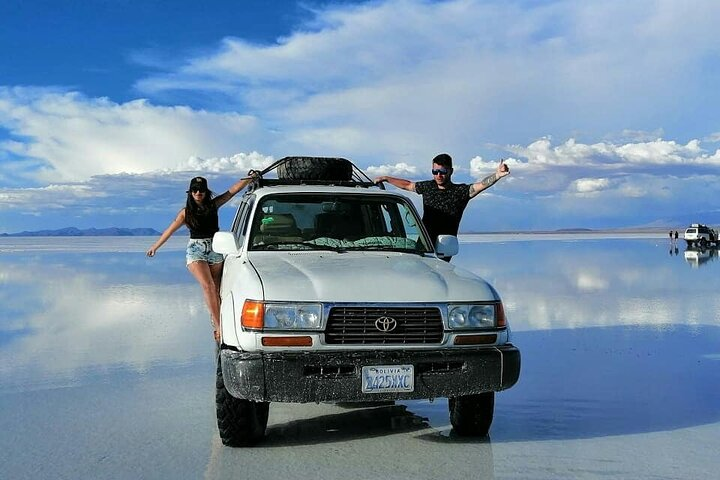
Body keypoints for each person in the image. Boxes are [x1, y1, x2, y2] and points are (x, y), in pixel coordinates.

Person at [146, 171, 258, 343]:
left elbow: (232, 191)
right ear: (190, 192)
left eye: (201, 190)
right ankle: (220, 327)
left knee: (218, 288)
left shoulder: (213, 205)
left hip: (215, 247)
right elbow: (170, 230)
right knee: (208, 286)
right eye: (195, 190)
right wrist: (155, 246)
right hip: (196, 250)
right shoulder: (185, 213)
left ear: (206, 192)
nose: (198, 193)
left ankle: (218, 320)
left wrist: (249, 178)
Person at [375, 153, 510, 261]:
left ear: (451, 171)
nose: (438, 175)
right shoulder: (428, 187)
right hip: (423, 245)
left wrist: (497, 175)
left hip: (445, 247)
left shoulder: (460, 192)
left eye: (442, 171)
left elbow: (481, 185)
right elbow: (408, 185)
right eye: (435, 171)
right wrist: (387, 178)